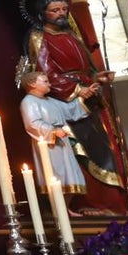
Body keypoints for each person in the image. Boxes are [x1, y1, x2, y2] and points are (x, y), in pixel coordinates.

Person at [23, 0, 128, 216]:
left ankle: (115, 205)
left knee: (108, 151)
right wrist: (78, 89)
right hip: (66, 105)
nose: (61, 14)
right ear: (42, 14)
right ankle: (91, 204)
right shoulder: (39, 37)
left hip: (90, 101)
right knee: (84, 154)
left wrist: (97, 78)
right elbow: (46, 73)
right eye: (54, 10)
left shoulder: (72, 35)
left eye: (64, 9)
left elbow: (86, 68)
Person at [19, 71, 89, 211]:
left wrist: (82, 97)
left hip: (62, 141)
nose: (49, 84)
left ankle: (66, 209)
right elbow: (32, 124)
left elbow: (68, 109)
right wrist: (53, 131)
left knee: (70, 176)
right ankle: (59, 211)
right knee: (57, 175)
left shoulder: (50, 100)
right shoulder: (28, 102)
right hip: (48, 144)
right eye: (45, 81)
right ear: (32, 84)